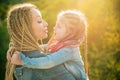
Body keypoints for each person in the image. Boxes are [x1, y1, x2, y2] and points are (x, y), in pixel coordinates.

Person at [11, 10, 89, 80]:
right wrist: (22, 48)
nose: (54, 28)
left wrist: (23, 61)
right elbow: (45, 47)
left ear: (70, 33)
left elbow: (48, 62)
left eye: (59, 26)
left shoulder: (69, 50)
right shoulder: (62, 45)